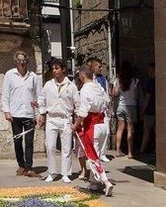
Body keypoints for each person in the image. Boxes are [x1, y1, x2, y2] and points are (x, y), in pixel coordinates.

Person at [74, 66, 114, 194]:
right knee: (96, 154)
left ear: (82, 75)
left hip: (92, 125)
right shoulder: (99, 86)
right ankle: (93, 184)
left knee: (92, 156)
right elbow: (107, 101)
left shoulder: (85, 89)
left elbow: (83, 112)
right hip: (103, 125)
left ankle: (106, 181)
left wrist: (75, 125)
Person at [37, 57, 77, 183]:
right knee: (50, 146)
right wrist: (42, 113)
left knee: (66, 147)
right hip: (51, 118)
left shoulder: (71, 86)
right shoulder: (48, 85)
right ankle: (52, 172)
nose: (54, 71)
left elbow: (78, 104)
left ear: (63, 69)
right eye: (53, 68)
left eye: (56, 68)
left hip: (66, 119)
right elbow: (41, 99)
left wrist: (76, 122)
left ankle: (65, 173)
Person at [1, 50, 41, 177]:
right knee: (17, 141)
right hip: (15, 114)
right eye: (19, 61)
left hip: (29, 114)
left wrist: (39, 113)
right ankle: (21, 165)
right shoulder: (9, 75)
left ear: (27, 62)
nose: (22, 63)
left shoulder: (34, 77)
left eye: (24, 61)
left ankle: (29, 167)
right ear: (16, 62)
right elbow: (5, 95)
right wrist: (6, 111)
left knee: (29, 142)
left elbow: (39, 96)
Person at [115, 62, 141, 159]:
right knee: (130, 130)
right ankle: (130, 152)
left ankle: (117, 151)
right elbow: (137, 95)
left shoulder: (118, 80)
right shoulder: (135, 81)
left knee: (120, 129)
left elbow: (115, 93)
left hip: (121, 106)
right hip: (131, 106)